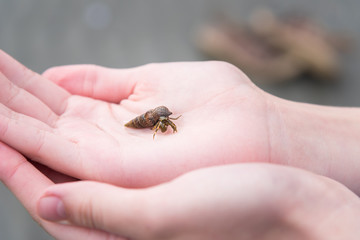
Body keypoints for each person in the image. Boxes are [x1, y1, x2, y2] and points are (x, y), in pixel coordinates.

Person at [0, 49, 359, 239]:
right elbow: (155, 121)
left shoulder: (162, 116)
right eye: (164, 121)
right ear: (159, 119)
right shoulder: (154, 119)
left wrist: (311, 211)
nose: (166, 121)